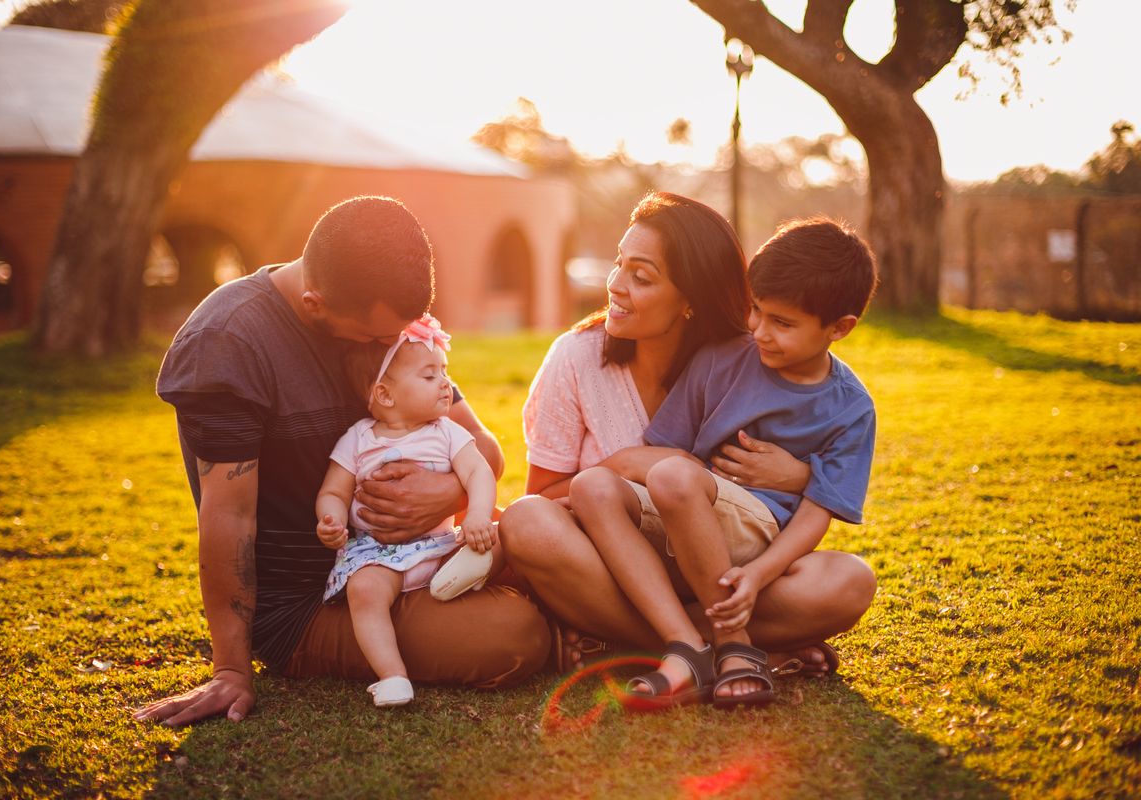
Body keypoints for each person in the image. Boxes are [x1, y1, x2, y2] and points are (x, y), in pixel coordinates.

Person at [137, 196, 548, 727]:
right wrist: (231, 670)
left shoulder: (388, 322)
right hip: (318, 601)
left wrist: (450, 492)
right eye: (377, 338)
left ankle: (585, 620)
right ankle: (560, 629)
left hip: (425, 550)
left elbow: (483, 448)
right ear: (314, 305)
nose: (390, 345)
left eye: (400, 333)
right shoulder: (228, 342)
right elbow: (228, 517)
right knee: (513, 636)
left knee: (542, 528)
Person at [500, 193, 876, 683]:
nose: (615, 286)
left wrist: (802, 476)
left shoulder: (744, 356)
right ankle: (721, 648)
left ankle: (638, 645)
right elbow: (553, 495)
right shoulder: (578, 359)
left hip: (730, 568)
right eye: (619, 265)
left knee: (848, 581)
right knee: (528, 522)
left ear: (692, 299)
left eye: (642, 276)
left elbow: (810, 494)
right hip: (621, 566)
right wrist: (619, 468)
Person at [315, 315, 499, 708]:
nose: (445, 384)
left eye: (444, 373)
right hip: (379, 554)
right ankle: (392, 675)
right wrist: (330, 519)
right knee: (364, 591)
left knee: (499, 537)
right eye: (429, 376)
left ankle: (467, 575)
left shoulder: (448, 432)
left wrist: (478, 515)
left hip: (442, 543)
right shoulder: (359, 438)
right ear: (384, 394)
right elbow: (334, 488)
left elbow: (479, 471)